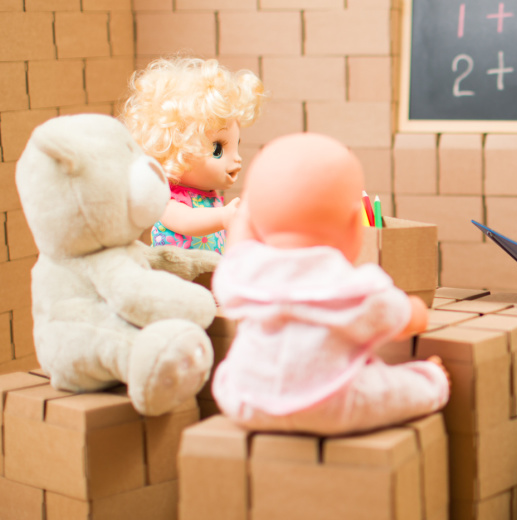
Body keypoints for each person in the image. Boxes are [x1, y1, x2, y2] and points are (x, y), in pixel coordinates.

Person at [209, 133, 450, 435]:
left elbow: (238, 249)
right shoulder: (354, 287)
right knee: (392, 388)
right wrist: (415, 310)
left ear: (254, 222)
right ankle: (432, 382)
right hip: (328, 405)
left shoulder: (245, 274)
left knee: (229, 372)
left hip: (246, 400)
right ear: (354, 226)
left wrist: (248, 214)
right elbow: (401, 321)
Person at [120, 57, 265, 253]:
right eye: (218, 149)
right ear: (176, 148)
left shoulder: (211, 198)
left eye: (236, 146)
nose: (237, 159)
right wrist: (224, 217)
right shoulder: (168, 200)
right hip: (178, 277)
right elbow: (186, 221)